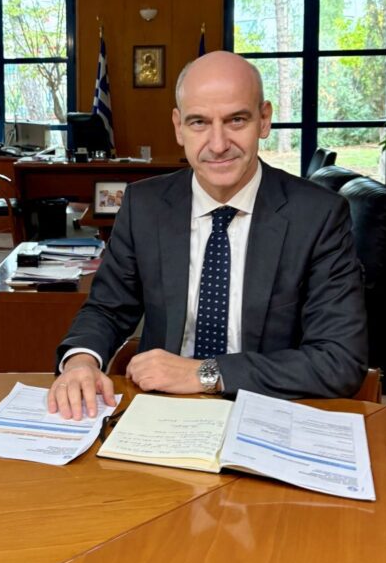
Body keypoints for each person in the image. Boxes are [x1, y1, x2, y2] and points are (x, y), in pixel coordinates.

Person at [48, 51, 367, 420]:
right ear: (178, 126)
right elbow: (107, 307)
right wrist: (81, 361)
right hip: (163, 413)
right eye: (199, 122)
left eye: (236, 120)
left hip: (268, 411)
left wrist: (204, 374)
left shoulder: (318, 216)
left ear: (264, 119)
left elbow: (339, 360)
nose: (218, 144)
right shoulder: (143, 205)